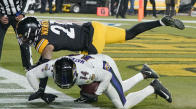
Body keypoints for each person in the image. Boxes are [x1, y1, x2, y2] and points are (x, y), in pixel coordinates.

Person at [16, 16, 184, 68]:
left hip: (90, 42)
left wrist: (34, 69)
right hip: (95, 27)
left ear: (31, 32)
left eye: (23, 35)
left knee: (87, 70)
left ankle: (90, 94)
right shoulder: (45, 23)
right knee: (129, 33)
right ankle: (161, 22)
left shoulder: (43, 43)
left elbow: (46, 61)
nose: (23, 39)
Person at [26, 54, 172, 109]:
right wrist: (39, 92)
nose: (64, 81)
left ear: (75, 73)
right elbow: (30, 74)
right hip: (92, 63)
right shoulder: (50, 66)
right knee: (118, 88)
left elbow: (107, 77)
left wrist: (96, 93)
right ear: (53, 72)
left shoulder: (85, 74)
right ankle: (144, 73)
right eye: (61, 77)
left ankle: (153, 87)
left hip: (104, 65)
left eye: (67, 77)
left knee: (122, 104)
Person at [0, 0, 32, 70]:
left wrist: (22, 14)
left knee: (24, 40)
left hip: (17, 15)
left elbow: (25, 1)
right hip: (3, 16)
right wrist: (0, 16)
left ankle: (27, 65)